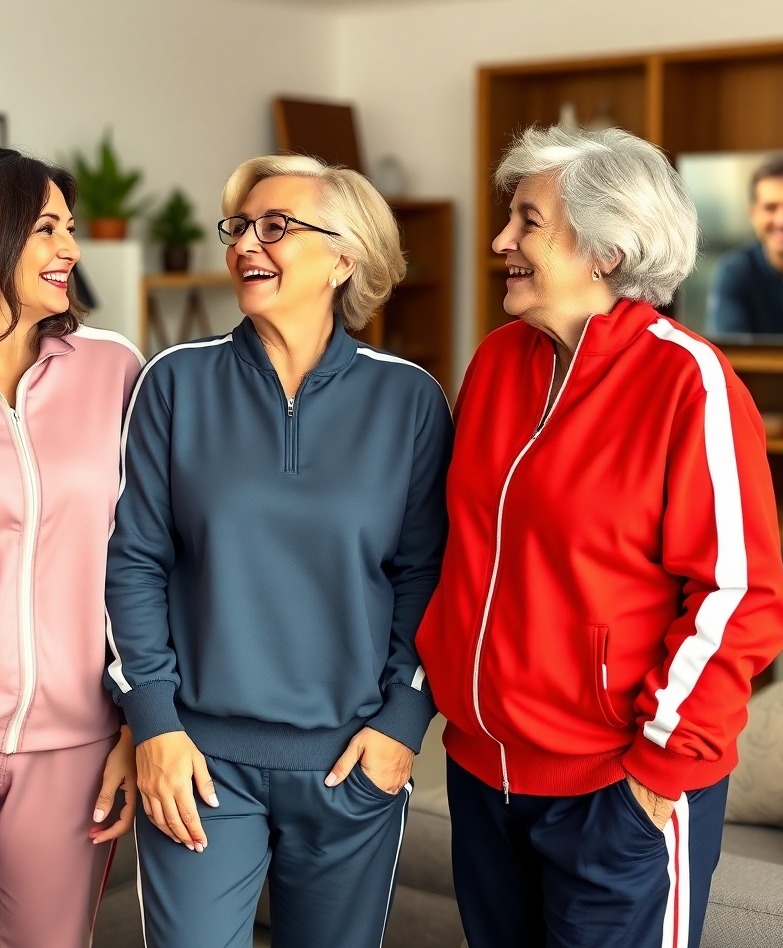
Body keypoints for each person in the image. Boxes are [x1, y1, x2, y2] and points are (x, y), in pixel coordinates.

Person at [415, 125, 783, 948]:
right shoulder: (495, 363)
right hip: (481, 774)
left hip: (616, 789)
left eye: (527, 221)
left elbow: (740, 597)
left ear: (606, 250)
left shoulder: (687, 382)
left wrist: (659, 770)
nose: (501, 240)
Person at [104, 153, 452, 948]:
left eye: (275, 227)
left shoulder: (408, 399)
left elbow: (428, 575)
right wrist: (152, 723)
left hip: (351, 766)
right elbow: (133, 562)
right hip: (197, 764)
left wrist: (403, 723)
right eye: (238, 228)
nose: (245, 246)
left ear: (343, 256)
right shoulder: (173, 383)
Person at [0, 148, 142, 947]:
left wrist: (134, 726)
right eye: (47, 228)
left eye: (71, 227)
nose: (71, 250)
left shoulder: (113, 367)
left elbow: (153, 553)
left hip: (73, 741)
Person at [706, 152, 783, 334]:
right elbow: (731, 350)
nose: (781, 220)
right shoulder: (735, 271)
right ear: (753, 214)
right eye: (770, 208)